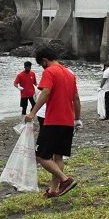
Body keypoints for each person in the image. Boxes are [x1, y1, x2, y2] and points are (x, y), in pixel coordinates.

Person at [24, 46, 82, 198]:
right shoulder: (69, 73)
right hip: (68, 121)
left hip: (53, 121)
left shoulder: (49, 71)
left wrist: (32, 112)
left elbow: (46, 92)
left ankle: (65, 180)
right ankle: (53, 190)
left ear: (44, 60)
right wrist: (77, 119)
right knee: (58, 157)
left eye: (41, 63)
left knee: (41, 156)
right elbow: (76, 98)